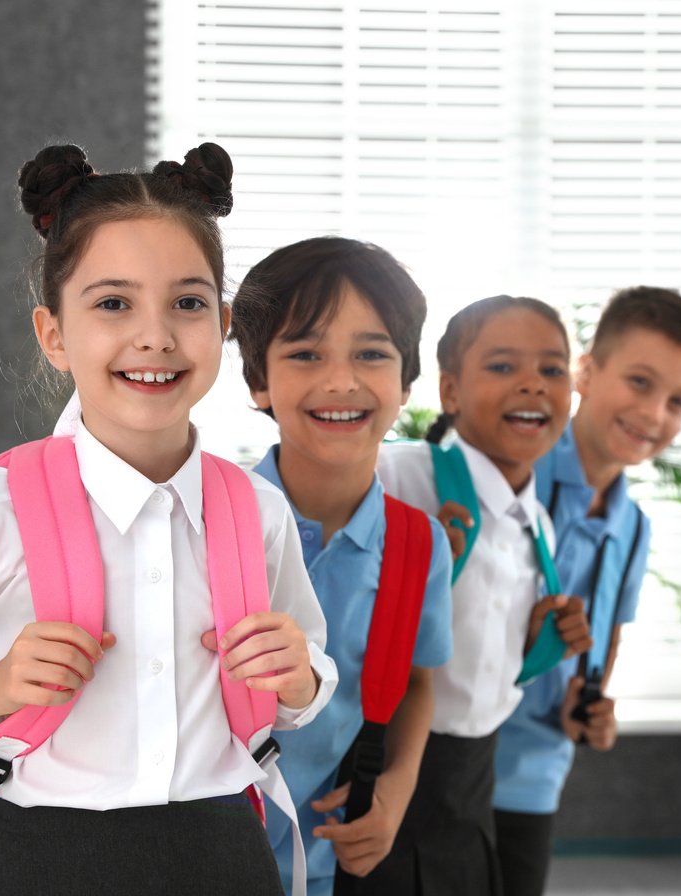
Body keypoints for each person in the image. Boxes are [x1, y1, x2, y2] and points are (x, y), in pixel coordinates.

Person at [0, 142, 337, 896]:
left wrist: (298, 680)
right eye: (112, 303)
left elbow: (311, 675)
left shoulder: (255, 509)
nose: (155, 335)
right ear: (54, 335)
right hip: (41, 857)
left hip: (226, 852)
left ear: (223, 326)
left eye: (188, 303)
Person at [229, 235, 454, 896]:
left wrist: (394, 789)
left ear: (405, 381)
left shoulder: (420, 546)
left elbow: (415, 681)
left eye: (371, 354)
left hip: (315, 859)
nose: (340, 381)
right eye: (305, 353)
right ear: (257, 382)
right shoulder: (208, 523)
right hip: (193, 847)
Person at [491, 285, 681, 896]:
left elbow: (604, 644)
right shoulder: (511, 471)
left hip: (533, 775)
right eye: (640, 382)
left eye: (678, 401)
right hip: (446, 765)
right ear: (586, 373)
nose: (654, 415)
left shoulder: (632, 525)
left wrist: (588, 708)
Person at [370, 295, 593, 896]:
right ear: (449, 392)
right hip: (386, 770)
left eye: (552, 369)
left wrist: (536, 645)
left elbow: (482, 672)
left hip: (471, 785)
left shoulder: (538, 528)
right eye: (502, 366)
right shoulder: (397, 476)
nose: (532, 385)